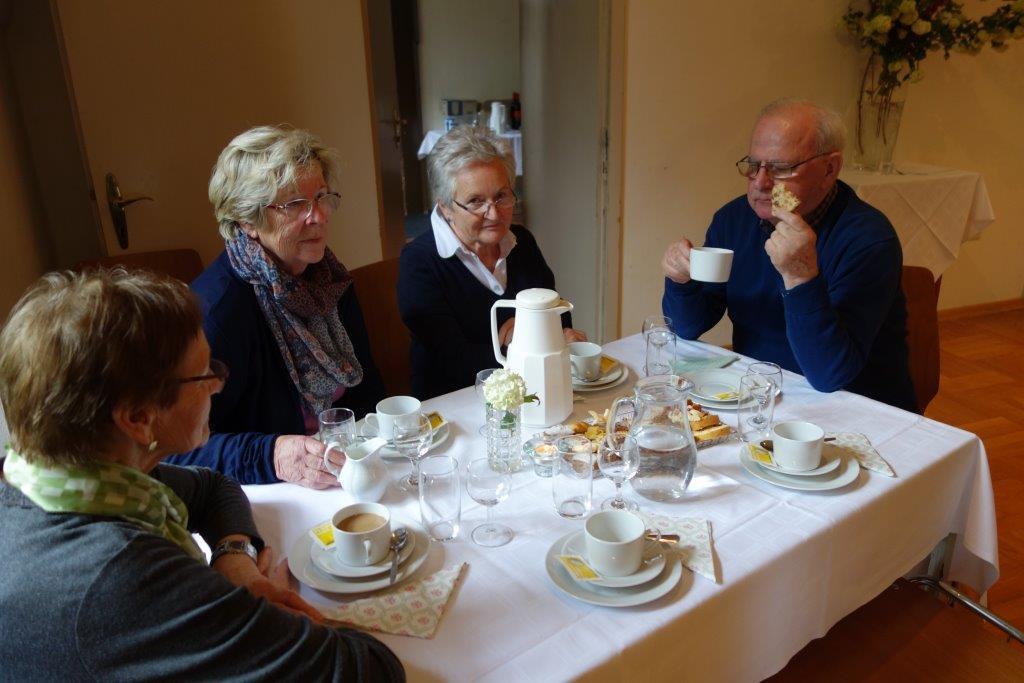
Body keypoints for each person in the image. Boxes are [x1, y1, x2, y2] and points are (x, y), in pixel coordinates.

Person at [0, 269, 404, 681]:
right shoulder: (126, 577)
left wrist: (236, 562)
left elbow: (213, 488)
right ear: (138, 418)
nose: (217, 385)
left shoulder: (73, 479)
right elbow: (369, 669)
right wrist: (261, 618)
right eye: (203, 374)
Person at [661, 99, 916, 412]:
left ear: (829, 169)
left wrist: (800, 277)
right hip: (760, 395)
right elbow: (687, 327)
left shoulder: (869, 239)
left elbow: (830, 374)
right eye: (753, 166)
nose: (761, 182)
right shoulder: (733, 219)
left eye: (781, 169)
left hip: (857, 407)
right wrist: (681, 281)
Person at [167, 125, 386, 486]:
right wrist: (271, 456)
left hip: (343, 471)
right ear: (247, 220)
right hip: (266, 489)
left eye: (321, 197)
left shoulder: (330, 282)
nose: (319, 216)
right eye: (295, 204)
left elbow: (367, 388)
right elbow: (173, 448)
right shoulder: (215, 314)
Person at [398, 125, 586, 399]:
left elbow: (559, 317)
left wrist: (544, 336)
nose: (494, 214)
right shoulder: (419, 262)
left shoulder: (522, 242)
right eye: (476, 201)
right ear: (446, 207)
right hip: (454, 403)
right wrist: (515, 341)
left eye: (501, 196)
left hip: (532, 392)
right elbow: (454, 362)